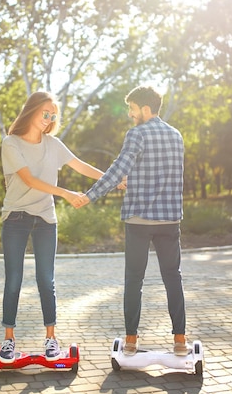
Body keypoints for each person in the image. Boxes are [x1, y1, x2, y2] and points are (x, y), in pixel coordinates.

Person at [75, 85, 188, 357]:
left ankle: (131, 341)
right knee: (173, 278)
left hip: (139, 220)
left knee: (134, 280)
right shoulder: (176, 135)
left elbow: (118, 169)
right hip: (169, 220)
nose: (130, 114)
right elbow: (162, 174)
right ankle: (180, 341)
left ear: (145, 109)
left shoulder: (136, 134)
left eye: (132, 108)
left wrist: (90, 196)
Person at [0, 91, 106, 364]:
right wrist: (66, 193)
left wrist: (113, 179)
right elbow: (29, 180)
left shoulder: (53, 144)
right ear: (31, 111)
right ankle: (8, 341)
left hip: (45, 219)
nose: (48, 119)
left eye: (52, 115)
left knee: (46, 280)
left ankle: (51, 339)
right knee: (13, 281)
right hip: (16, 219)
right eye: (44, 113)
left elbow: (80, 165)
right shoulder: (11, 143)